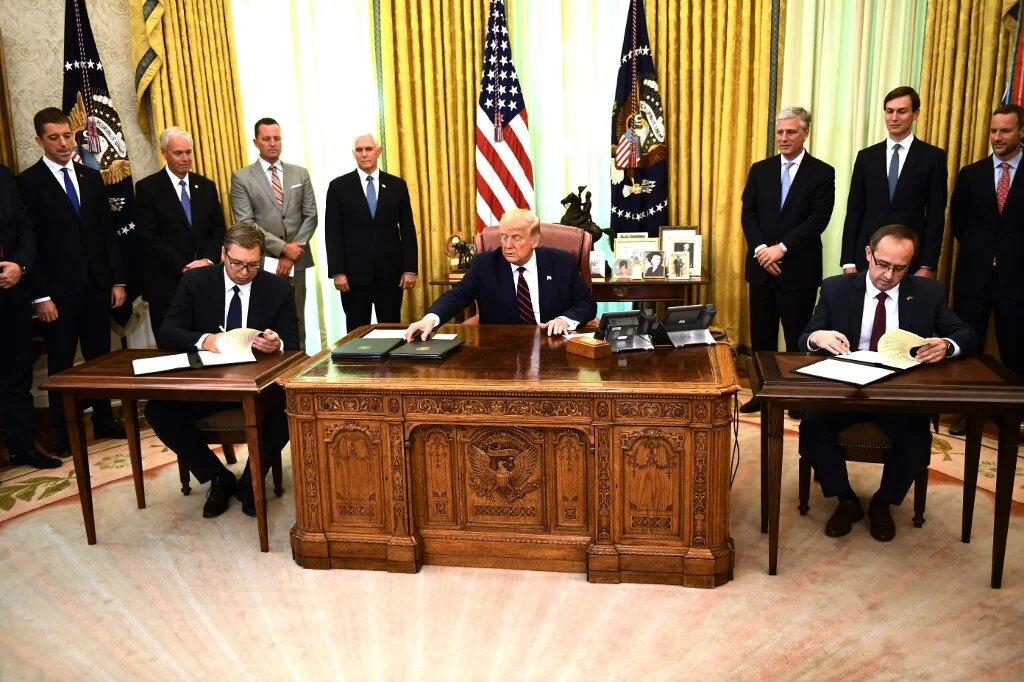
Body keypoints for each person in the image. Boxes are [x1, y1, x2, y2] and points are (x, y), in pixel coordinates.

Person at [798, 225, 978, 542]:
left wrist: (948, 345)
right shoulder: (836, 288)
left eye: (899, 268)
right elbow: (805, 338)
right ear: (868, 254)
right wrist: (818, 336)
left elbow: (966, 333)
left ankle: (883, 504)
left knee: (916, 439)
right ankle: (846, 500)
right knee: (812, 427)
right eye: (882, 264)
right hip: (847, 392)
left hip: (900, 394)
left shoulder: (927, 293)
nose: (887, 275)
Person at [144, 222, 299, 518]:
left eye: (252, 266)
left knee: (289, 409)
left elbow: (293, 345)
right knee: (158, 411)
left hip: (257, 387)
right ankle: (217, 476)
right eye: (237, 263)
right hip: (209, 385)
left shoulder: (278, 287)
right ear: (223, 254)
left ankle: (250, 480)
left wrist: (276, 343)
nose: (243, 272)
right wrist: (206, 340)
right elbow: (168, 332)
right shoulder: (196, 282)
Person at [17, 108, 127, 456]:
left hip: (96, 286)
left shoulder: (91, 177)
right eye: (55, 137)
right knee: (61, 366)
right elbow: (29, 241)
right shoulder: (28, 183)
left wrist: (118, 281)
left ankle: (105, 420)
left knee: (100, 359)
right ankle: (64, 433)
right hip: (58, 293)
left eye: (68, 135)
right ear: (40, 141)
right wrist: (40, 296)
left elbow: (106, 234)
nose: (64, 143)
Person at [740, 105, 835, 414]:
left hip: (797, 270)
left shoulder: (822, 172)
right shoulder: (760, 169)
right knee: (762, 339)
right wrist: (760, 251)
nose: (783, 137)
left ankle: (795, 396)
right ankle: (763, 394)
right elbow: (748, 214)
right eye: (779, 132)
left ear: (805, 133)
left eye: (791, 131)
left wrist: (780, 248)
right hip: (761, 268)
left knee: (797, 337)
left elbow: (817, 220)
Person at [404, 208, 596, 340]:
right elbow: (456, 296)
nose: (507, 245)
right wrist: (430, 319)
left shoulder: (561, 262)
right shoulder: (485, 264)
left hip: (552, 346)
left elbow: (586, 303)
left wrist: (564, 320)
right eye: (504, 237)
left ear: (535, 240)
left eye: (516, 238)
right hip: (501, 349)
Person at [947, 104, 1024, 435]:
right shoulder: (972, 173)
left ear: (1021, 132)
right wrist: (984, 253)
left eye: (1005, 131)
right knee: (968, 343)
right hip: (973, 276)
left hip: (1018, 278)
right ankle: (966, 411)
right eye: (993, 131)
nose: (997, 137)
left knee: (1017, 347)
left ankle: (1014, 417)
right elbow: (959, 223)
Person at [840, 86, 947, 276]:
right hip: (868, 257)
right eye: (889, 111)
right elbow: (854, 211)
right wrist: (848, 260)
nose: (894, 117)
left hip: (911, 260)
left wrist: (928, 265)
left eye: (902, 111)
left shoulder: (933, 157)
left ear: (915, 114)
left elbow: (935, 216)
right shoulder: (866, 157)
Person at [231, 118, 317, 348]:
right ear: (256, 142)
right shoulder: (242, 177)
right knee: (266, 321)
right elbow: (246, 222)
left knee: (296, 321)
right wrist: (282, 248)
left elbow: (311, 216)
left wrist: (292, 253)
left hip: (296, 262)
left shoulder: (300, 173)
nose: (272, 143)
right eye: (266, 139)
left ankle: (298, 370)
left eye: (276, 138)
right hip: (262, 262)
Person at [134, 127, 226, 336]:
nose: (185, 158)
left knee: (208, 345)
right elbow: (148, 236)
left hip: (206, 280)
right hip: (167, 285)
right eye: (178, 153)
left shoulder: (206, 186)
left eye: (188, 152)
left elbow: (218, 229)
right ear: (164, 152)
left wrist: (208, 261)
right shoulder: (148, 188)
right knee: (171, 348)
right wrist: (183, 266)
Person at [325, 133, 418, 333]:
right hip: (353, 276)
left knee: (391, 329)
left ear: (379, 152)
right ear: (354, 154)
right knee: (357, 333)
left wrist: (410, 268)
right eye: (359, 150)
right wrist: (337, 272)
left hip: (390, 274)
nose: (364, 154)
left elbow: (408, 230)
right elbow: (332, 233)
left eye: (368, 149)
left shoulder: (397, 185)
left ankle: (392, 365)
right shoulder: (338, 187)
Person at [1, 163, 55, 469]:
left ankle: (22, 448)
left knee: (17, 375)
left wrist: (19, 265)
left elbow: (25, 226)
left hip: (12, 292)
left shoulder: (4, 175)